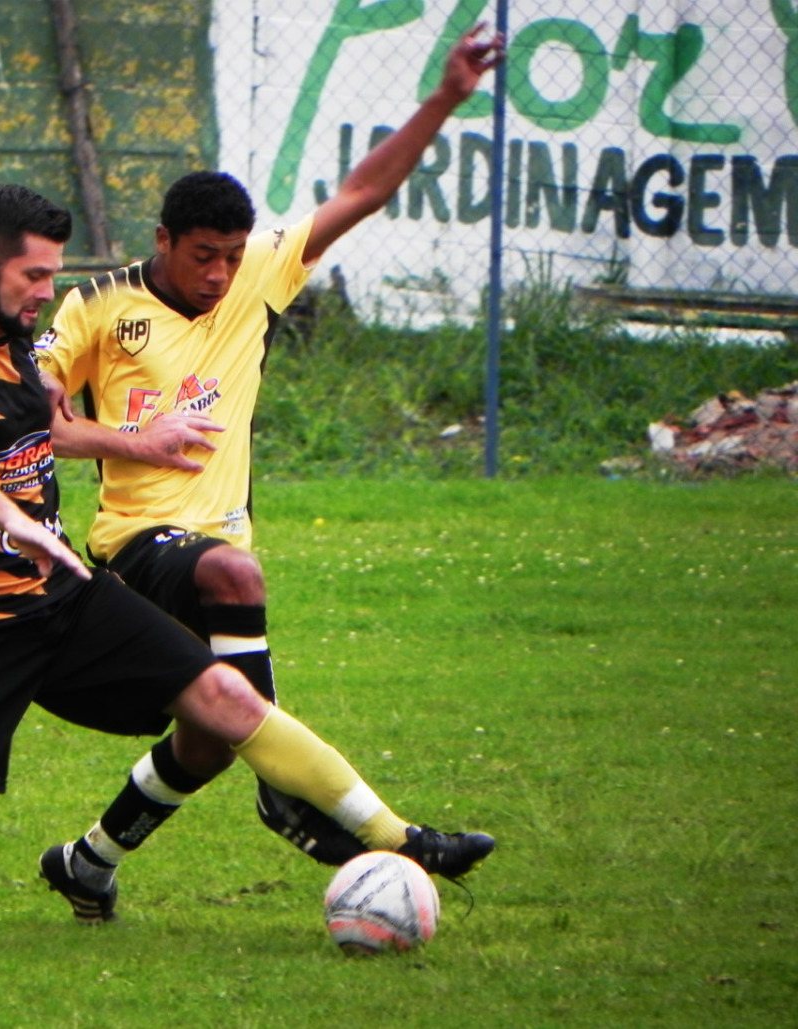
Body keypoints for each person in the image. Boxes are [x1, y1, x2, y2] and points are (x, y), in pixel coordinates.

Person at [0, 183, 489, 944]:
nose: (44, 292)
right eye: (33, 275)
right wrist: (7, 517)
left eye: (51, 275)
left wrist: (139, 443)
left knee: (223, 695)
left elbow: (48, 429)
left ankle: (401, 839)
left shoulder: (14, 344)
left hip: (65, 596)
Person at [33, 27, 503, 919]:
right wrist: (136, 441)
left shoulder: (256, 272)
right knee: (233, 574)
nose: (219, 274)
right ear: (164, 239)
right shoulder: (97, 306)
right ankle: (336, 812)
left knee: (210, 734)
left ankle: (86, 861)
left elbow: (363, 190)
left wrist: (443, 99)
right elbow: (39, 426)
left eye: (232, 255)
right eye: (202, 255)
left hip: (216, 537)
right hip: (132, 544)